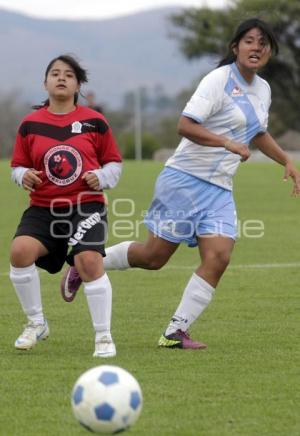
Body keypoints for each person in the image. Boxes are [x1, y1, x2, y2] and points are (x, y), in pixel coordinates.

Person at [61, 18, 300, 350]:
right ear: (235, 47)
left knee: (219, 256)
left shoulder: (263, 89)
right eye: (249, 40)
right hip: (184, 181)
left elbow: (257, 131)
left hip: (219, 188)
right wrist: (226, 143)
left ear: (270, 51)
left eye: (263, 42)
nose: (256, 47)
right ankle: (85, 263)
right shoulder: (218, 81)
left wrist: (286, 160)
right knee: (154, 257)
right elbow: (184, 126)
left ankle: (174, 332)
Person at [10, 54, 122, 357]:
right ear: (45, 82)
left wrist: (102, 176)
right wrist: (23, 176)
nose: (61, 78)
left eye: (69, 75)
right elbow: (16, 166)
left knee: (88, 261)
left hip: (86, 207)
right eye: (55, 73)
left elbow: (114, 164)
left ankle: (103, 336)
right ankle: (36, 323)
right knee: (19, 252)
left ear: (78, 84)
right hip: (43, 209)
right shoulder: (30, 124)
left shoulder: (94, 122)